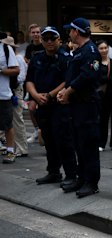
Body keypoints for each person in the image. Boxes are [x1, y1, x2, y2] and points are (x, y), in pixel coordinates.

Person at [26, 26, 77, 184]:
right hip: (43, 104)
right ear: (41, 40)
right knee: (48, 139)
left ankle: (71, 174)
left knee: (63, 140)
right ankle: (53, 172)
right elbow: (29, 80)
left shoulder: (66, 58)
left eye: (52, 38)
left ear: (59, 40)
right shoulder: (37, 58)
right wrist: (35, 96)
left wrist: (50, 95)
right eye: (45, 38)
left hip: (60, 104)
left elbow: (67, 81)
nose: (49, 42)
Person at [57, 17, 101, 198]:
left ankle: (91, 182)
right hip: (76, 105)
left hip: (86, 105)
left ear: (76, 31)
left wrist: (68, 92)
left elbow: (87, 76)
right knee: (79, 144)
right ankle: (81, 178)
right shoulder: (79, 51)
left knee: (88, 144)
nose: (69, 34)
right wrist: (65, 91)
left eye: (70, 30)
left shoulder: (90, 51)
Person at [3, 36, 29, 157]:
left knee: (17, 119)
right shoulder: (8, 57)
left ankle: (21, 147)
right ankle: (13, 146)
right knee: (10, 120)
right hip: (10, 89)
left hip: (16, 89)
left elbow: (21, 76)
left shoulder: (17, 59)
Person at [0, 32, 21, 164]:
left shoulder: (5, 49)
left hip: (3, 94)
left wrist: (1, 70)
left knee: (7, 125)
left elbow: (16, 70)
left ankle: (10, 151)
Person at [25, 24, 44, 145]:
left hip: (45, 81)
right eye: (33, 32)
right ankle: (37, 130)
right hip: (33, 81)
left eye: (38, 32)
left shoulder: (45, 44)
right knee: (31, 108)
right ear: (30, 34)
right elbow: (26, 59)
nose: (36, 34)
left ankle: (44, 131)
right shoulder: (29, 48)